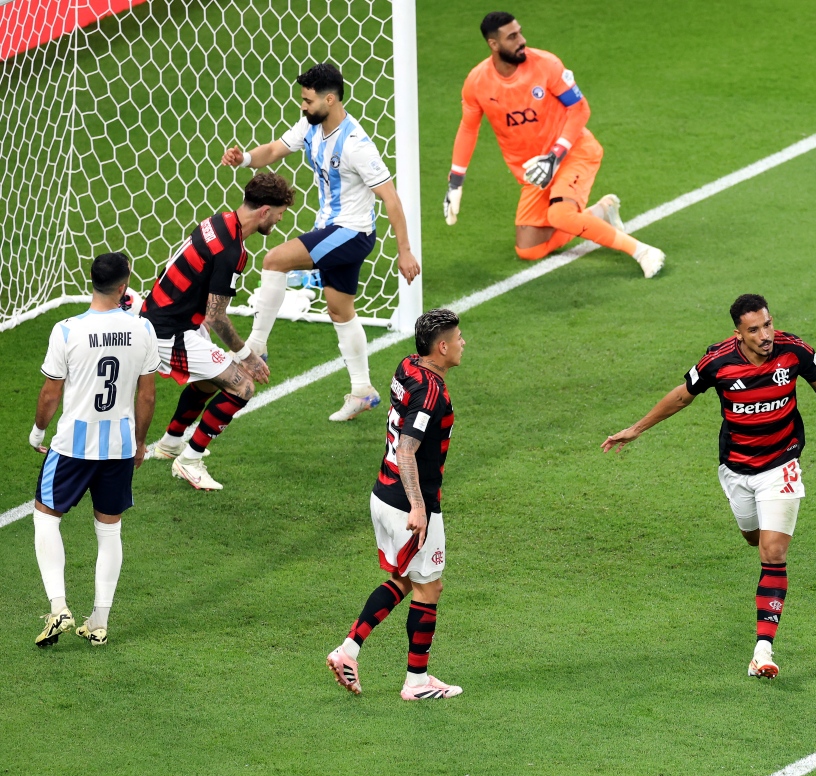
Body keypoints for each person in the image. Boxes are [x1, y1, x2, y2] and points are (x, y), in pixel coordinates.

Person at [602, 294, 816, 678]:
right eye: (755, 330)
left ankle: (763, 649)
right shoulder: (717, 362)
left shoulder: (794, 352)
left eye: (768, 324)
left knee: (773, 552)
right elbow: (681, 398)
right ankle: (764, 554)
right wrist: (635, 429)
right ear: (738, 334)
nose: (766, 335)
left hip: (781, 464)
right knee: (753, 538)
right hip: (737, 469)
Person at [223, 63, 422, 421]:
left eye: (308, 100)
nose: (303, 106)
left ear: (329, 99)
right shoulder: (310, 126)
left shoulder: (357, 145)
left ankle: (257, 346)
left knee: (274, 260)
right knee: (339, 310)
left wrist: (404, 251)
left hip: (351, 232)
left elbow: (390, 197)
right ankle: (362, 390)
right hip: (334, 229)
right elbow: (274, 150)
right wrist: (245, 159)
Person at [444, 11, 666, 277]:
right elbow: (468, 128)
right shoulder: (477, 82)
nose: (521, 40)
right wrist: (456, 181)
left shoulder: (545, 65)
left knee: (560, 215)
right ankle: (597, 214)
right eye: (512, 37)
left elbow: (579, 109)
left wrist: (556, 154)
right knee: (528, 249)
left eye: (520, 32)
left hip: (572, 152)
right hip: (534, 171)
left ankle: (642, 251)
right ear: (494, 44)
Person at [326, 309, 466, 700]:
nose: (462, 343)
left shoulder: (409, 366)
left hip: (383, 495)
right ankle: (416, 682)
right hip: (409, 503)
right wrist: (420, 508)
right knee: (429, 587)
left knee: (406, 579)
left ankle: (347, 651)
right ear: (441, 347)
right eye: (457, 338)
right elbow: (408, 451)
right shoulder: (432, 394)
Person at [29, 252, 159, 647]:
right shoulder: (142, 329)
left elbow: (51, 392)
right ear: (125, 287)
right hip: (118, 446)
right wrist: (138, 442)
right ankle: (99, 620)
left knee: (46, 518)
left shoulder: (66, 331)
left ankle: (59, 607)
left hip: (72, 445)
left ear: (92, 282)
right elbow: (147, 396)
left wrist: (38, 432)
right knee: (109, 531)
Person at [141, 173, 293, 491]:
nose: (279, 219)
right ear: (264, 210)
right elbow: (217, 317)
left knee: (211, 380)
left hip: (166, 315)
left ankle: (170, 444)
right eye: (280, 213)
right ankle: (190, 460)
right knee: (243, 387)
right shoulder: (231, 251)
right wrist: (245, 356)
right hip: (170, 331)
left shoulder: (219, 220)